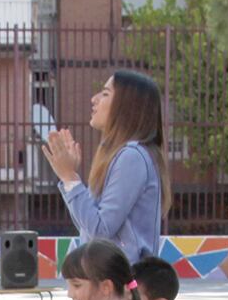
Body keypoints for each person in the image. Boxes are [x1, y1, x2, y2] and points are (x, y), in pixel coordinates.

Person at [42, 70, 170, 267]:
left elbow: (100, 230)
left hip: (122, 287)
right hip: (111, 284)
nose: (94, 99)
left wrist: (69, 177)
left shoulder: (132, 156)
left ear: (127, 107)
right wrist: (69, 177)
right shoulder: (124, 155)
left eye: (105, 94)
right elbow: (90, 227)